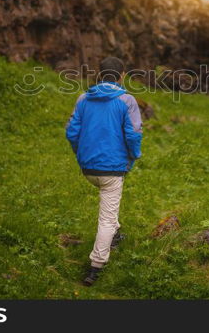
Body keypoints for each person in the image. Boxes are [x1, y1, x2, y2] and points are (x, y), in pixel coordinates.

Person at [65, 56, 143, 286]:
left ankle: (116, 235)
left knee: (110, 208)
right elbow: (133, 134)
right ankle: (95, 267)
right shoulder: (127, 100)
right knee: (107, 217)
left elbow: (71, 132)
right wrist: (133, 155)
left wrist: (82, 154)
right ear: (122, 76)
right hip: (111, 170)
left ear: (100, 74)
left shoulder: (82, 98)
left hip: (88, 168)